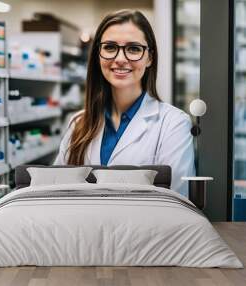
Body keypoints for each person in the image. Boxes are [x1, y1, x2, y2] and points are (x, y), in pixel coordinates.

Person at [54, 10, 195, 197]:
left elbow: (176, 200)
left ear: (149, 58)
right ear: (98, 54)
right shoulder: (78, 123)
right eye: (110, 47)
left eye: (134, 49)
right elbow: (53, 192)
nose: (120, 59)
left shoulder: (173, 124)